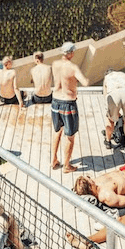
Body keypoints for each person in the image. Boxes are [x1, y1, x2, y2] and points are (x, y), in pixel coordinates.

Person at [51, 42, 89, 173]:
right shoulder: (73, 68)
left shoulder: (55, 64)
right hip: (68, 103)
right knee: (69, 136)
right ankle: (66, 166)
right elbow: (84, 82)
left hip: (55, 101)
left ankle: (54, 160)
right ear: (71, 53)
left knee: (57, 132)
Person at [102, 70, 125, 150]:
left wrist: (112, 112)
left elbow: (105, 95)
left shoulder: (107, 78)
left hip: (114, 94)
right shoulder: (123, 74)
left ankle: (108, 141)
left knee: (110, 120)